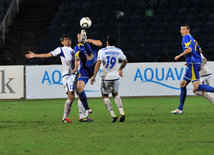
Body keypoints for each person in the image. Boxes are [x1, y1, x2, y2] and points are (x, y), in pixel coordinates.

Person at [25, 34, 77, 123]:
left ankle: (80, 115)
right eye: (65, 39)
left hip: (74, 75)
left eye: (69, 39)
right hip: (67, 76)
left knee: (75, 96)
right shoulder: (60, 49)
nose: (68, 40)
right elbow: (49, 55)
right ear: (62, 42)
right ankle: (65, 117)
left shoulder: (73, 50)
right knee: (71, 96)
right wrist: (35, 55)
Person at [171, 25, 214, 114]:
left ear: (188, 30)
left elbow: (189, 50)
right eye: (181, 29)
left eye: (183, 29)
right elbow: (200, 50)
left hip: (193, 64)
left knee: (197, 87)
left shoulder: (186, 37)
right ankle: (180, 109)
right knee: (182, 84)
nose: (182, 31)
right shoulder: (193, 39)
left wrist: (179, 56)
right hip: (193, 63)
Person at [90, 34, 128, 123]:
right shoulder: (118, 50)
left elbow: (98, 63)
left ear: (107, 42)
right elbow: (125, 61)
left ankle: (113, 115)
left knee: (105, 96)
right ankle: (122, 113)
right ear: (115, 42)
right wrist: (120, 69)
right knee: (115, 94)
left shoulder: (102, 51)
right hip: (115, 77)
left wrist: (94, 76)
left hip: (105, 78)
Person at [72, 30, 102, 121]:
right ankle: (87, 109)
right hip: (84, 70)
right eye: (78, 36)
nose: (78, 37)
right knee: (79, 88)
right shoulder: (76, 47)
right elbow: (77, 59)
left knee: (89, 54)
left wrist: (87, 40)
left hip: (93, 66)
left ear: (85, 36)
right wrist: (75, 68)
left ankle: (84, 113)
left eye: (80, 36)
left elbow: (100, 43)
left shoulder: (91, 41)